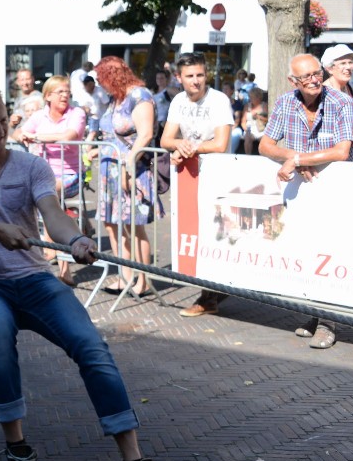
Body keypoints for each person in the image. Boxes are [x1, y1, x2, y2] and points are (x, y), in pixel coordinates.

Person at [0, 86, 181, 461]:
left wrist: (76, 239)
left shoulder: (29, 164)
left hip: (34, 278)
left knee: (93, 349)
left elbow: (53, 214)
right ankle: (17, 451)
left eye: (3, 119)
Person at [259, 53, 353, 349]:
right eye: (306, 77)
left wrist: (299, 158)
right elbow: (265, 144)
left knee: (334, 254)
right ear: (293, 81)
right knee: (308, 251)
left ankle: (330, 322)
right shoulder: (285, 102)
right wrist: (295, 160)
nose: (314, 80)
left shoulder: (342, 103)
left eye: (317, 73)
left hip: (337, 191)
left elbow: (341, 151)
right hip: (304, 192)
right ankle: (314, 314)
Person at [159, 53, 234, 317]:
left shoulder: (218, 100)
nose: (196, 81)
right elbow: (166, 138)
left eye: (200, 75)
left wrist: (187, 148)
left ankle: (209, 296)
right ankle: (214, 291)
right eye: (190, 76)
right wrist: (179, 145)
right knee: (193, 231)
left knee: (213, 232)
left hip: (217, 174)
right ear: (179, 78)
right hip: (190, 174)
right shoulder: (178, 100)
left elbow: (220, 144)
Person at [12, 75, 87, 285]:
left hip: (71, 175)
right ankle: (59, 268)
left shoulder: (77, 113)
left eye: (67, 91)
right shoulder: (39, 115)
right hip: (46, 175)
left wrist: (36, 137)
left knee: (47, 197)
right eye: (60, 92)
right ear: (48, 96)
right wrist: (22, 135)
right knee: (48, 206)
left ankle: (55, 257)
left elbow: (68, 136)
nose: (65, 95)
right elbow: (19, 132)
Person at [95, 56, 160, 297]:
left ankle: (142, 280)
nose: (100, 84)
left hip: (133, 171)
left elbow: (144, 135)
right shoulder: (115, 98)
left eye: (102, 79)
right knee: (113, 225)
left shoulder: (140, 96)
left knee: (135, 226)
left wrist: (128, 165)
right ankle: (125, 276)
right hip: (108, 169)